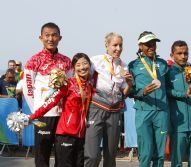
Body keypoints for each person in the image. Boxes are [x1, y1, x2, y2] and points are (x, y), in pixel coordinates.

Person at [22, 22, 71, 167]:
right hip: (43, 115)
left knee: (62, 155)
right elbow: (28, 88)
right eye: (47, 35)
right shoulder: (34, 60)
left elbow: (70, 87)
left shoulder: (66, 61)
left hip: (62, 115)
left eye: (54, 35)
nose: (51, 38)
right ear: (40, 38)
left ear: (60, 38)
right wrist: (37, 111)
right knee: (42, 155)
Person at [30, 53, 91, 167]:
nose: (82, 67)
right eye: (78, 65)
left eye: (85, 63)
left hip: (81, 136)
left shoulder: (89, 86)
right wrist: (32, 116)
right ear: (73, 68)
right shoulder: (68, 84)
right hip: (65, 134)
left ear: (89, 65)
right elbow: (50, 102)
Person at [84, 32, 132, 167]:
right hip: (96, 109)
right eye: (114, 45)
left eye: (120, 45)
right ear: (106, 45)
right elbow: (84, 78)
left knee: (110, 157)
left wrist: (130, 83)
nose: (118, 48)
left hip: (115, 112)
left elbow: (124, 93)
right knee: (92, 156)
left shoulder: (124, 65)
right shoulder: (95, 60)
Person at [128, 31, 169, 167]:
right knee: (145, 153)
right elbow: (129, 91)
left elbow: (169, 86)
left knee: (160, 154)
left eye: (153, 43)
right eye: (147, 44)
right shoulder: (133, 65)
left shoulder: (163, 64)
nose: (151, 46)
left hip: (161, 112)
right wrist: (142, 92)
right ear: (140, 46)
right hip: (143, 111)